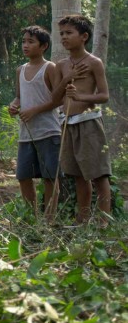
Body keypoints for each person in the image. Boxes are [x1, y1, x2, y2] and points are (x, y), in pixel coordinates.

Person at [50, 15, 112, 226]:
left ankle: (104, 221)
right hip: (67, 123)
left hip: (89, 122)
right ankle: (82, 219)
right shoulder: (61, 65)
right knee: (78, 175)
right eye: (61, 34)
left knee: (98, 174)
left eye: (69, 33)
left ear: (84, 36)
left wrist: (81, 97)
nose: (64, 38)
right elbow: (55, 98)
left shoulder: (94, 62)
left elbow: (104, 95)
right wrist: (67, 79)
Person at [7, 25, 62, 218]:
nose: (25, 45)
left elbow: (58, 99)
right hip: (26, 133)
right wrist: (14, 106)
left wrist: (34, 111)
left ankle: (49, 218)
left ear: (43, 46)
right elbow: (19, 97)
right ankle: (31, 217)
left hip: (48, 131)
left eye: (31, 42)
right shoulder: (20, 70)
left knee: (49, 177)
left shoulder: (50, 68)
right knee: (23, 176)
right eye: (23, 41)